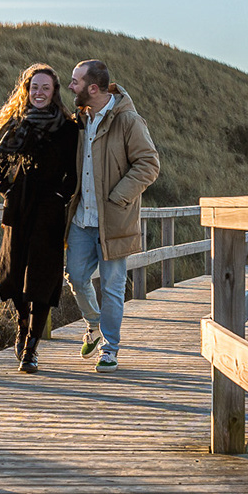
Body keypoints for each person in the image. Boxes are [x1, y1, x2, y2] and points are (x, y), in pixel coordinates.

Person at [0, 63, 79, 374]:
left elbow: (73, 173)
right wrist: (7, 189)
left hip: (49, 210)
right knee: (13, 274)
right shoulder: (15, 124)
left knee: (42, 276)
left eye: (44, 88)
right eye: (34, 87)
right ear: (27, 90)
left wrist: (61, 196)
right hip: (19, 207)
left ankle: (32, 347)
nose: (38, 93)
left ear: (54, 92)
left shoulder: (67, 127)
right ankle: (22, 327)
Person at [65, 59, 160, 372]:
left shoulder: (129, 121)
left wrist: (118, 197)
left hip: (115, 220)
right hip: (81, 220)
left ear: (93, 88)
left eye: (75, 81)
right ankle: (93, 324)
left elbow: (148, 164)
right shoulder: (79, 119)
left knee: (112, 287)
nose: (70, 86)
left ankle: (110, 349)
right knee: (76, 277)